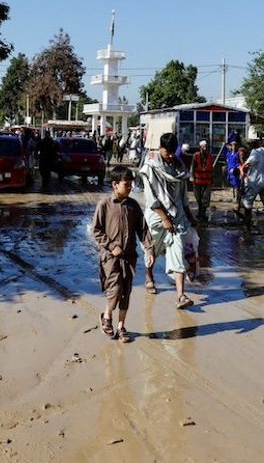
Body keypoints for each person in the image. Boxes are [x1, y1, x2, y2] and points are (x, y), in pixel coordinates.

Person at [91, 166, 153, 342]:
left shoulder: (133, 206)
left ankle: (121, 327)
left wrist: (149, 249)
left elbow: (143, 229)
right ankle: (107, 317)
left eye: (131, 184)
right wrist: (111, 246)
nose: (130, 187)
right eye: (126, 184)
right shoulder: (105, 205)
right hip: (110, 257)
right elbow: (96, 230)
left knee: (126, 290)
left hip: (129, 256)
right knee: (115, 288)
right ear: (115, 185)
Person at [139, 132, 199, 308]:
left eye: (174, 152)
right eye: (168, 152)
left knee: (177, 253)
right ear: (160, 148)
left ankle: (180, 295)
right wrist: (164, 218)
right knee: (152, 250)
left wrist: (190, 216)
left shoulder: (179, 167)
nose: (171, 156)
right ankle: (149, 276)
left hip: (178, 217)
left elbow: (183, 196)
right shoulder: (150, 167)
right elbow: (151, 198)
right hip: (157, 217)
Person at [190, 140, 214, 221]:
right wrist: (192, 177)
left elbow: (212, 168)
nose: (205, 148)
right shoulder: (196, 156)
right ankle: (200, 213)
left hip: (207, 181)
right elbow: (192, 167)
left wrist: (212, 179)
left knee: (205, 199)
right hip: (197, 181)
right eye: (203, 146)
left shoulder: (210, 156)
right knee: (198, 198)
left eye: (206, 146)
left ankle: (202, 214)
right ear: (200, 147)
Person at [225, 135, 245, 219]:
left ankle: (237, 200)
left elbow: (239, 163)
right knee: (233, 186)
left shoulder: (237, 154)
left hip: (235, 173)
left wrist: (236, 168)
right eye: (232, 145)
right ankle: (234, 197)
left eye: (235, 145)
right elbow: (227, 160)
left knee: (237, 186)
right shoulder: (229, 154)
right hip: (230, 173)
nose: (233, 147)